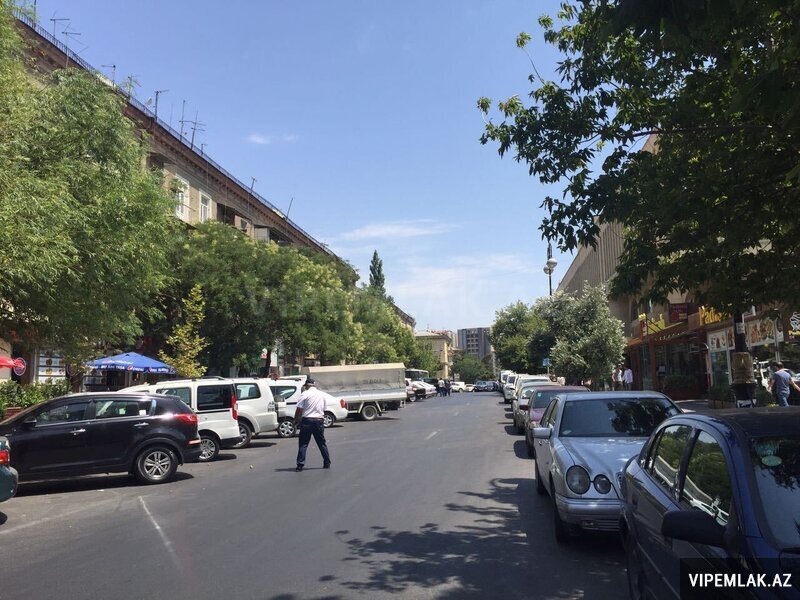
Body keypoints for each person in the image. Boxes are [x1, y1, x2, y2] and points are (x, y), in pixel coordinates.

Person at [293, 377, 331, 471]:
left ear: (307, 386)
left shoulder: (305, 394)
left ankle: (300, 465)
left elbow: (299, 408)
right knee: (321, 443)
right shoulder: (322, 394)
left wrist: (296, 419)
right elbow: (324, 409)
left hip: (307, 421)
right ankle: (327, 462)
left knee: (303, 443)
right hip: (319, 420)